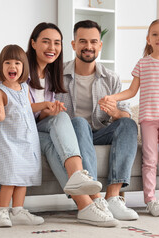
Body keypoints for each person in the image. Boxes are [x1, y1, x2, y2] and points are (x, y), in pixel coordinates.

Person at [0, 23, 117, 227]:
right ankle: (87, 200)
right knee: (60, 123)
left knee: (68, 122)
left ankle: (86, 204)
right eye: (45, 41)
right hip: (19, 134)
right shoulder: (17, 71)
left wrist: (46, 111)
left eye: (57, 43)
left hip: (36, 132)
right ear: (33, 43)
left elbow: (36, 114)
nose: (51, 47)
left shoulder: (54, 76)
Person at [100, 18, 159, 218]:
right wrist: (113, 97)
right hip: (148, 119)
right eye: (155, 34)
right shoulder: (143, 63)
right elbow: (132, 91)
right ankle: (150, 200)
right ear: (148, 39)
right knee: (149, 160)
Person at [53, 20, 139, 222]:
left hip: (101, 133)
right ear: (73, 44)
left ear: (100, 45)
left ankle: (113, 197)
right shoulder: (57, 75)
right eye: (82, 41)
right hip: (73, 135)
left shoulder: (111, 78)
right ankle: (94, 196)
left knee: (129, 124)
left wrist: (116, 113)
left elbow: (125, 114)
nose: (88, 46)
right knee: (79, 122)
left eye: (93, 42)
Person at [0, 44, 44, 227]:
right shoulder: (0, 91)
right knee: (10, 179)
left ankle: (18, 211)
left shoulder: (24, 87)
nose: (13, 67)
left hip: (27, 141)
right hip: (10, 142)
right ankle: (2, 211)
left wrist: (45, 105)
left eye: (17, 63)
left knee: (23, 178)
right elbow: (1, 114)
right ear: (0, 67)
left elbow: (27, 108)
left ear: (23, 66)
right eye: (7, 63)